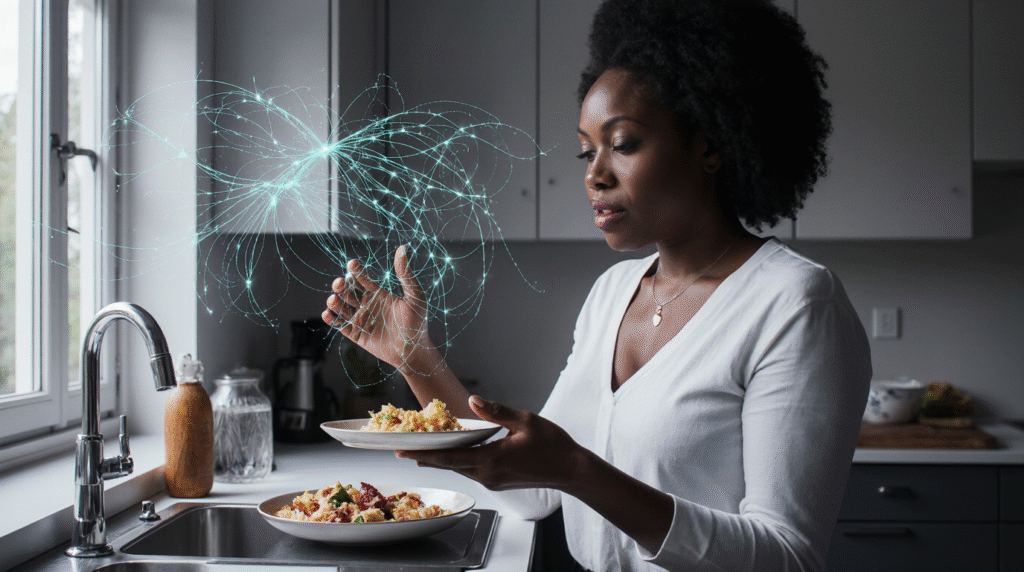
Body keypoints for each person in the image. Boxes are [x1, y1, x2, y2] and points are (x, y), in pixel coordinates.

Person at [322, 0, 872, 569]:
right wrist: (416, 357)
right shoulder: (613, 291)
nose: (594, 174)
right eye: (587, 150)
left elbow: (788, 557)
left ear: (709, 145)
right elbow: (531, 488)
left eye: (624, 144)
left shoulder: (796, 305)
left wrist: (577, 471)